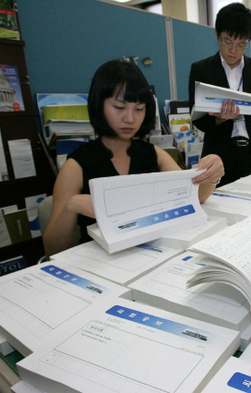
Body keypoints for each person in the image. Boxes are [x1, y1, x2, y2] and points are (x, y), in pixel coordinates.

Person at [43, 60, 224, 257]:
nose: (130, 118)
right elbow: (54, 250)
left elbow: (193, 197)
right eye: (119, 107)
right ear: (98, 105)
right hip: (99, 262)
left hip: (149, 255)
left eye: (139, 109)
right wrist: (72, 206)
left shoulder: (153, 154)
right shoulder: (76, 165)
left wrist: (212, 174)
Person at [188, 2, 251, 186]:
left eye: (241, 44)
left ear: (248, 41)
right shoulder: (201, 69)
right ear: (217, 34)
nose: (233, 50)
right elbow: (196, 117)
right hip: (218, 156)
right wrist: (219, 119)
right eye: (227, 42)